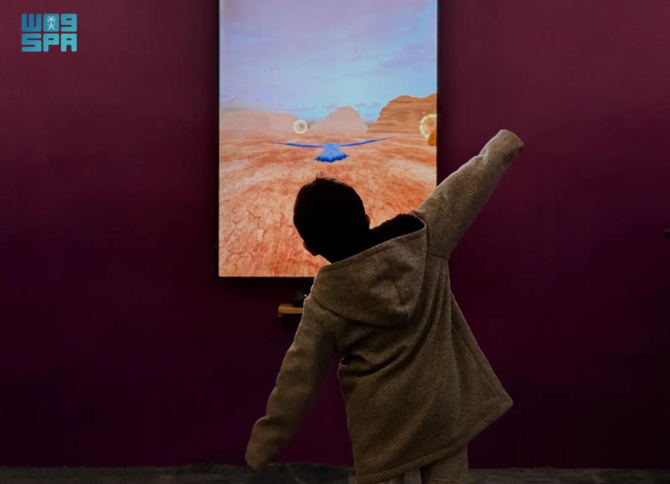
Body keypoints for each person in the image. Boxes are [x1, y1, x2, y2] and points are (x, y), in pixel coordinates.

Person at [245, 130, 525, 484]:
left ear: (310, 247)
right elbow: (467, 184)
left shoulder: (324, 302)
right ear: (366, 218)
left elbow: (297, 379)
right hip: (442, 408)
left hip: (381, 426)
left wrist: (265, 441)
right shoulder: (424, 236)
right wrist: (502, 146)